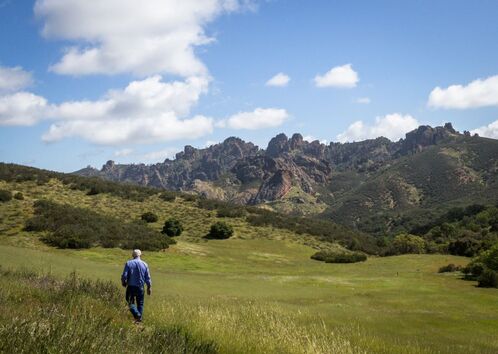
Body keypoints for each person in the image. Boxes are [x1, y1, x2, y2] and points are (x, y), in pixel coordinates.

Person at [121, 249, 151, 323]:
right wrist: (149, 287)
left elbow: (124, 275)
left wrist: (123, 282)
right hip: (140, 287)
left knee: (130, 302)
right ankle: (138, 321)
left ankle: (137, 315)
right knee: (140, 304)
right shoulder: (145, 264)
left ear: (133, 255)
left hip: (131, 286)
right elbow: (148, 278)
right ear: (140, 255)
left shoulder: (129, 263)